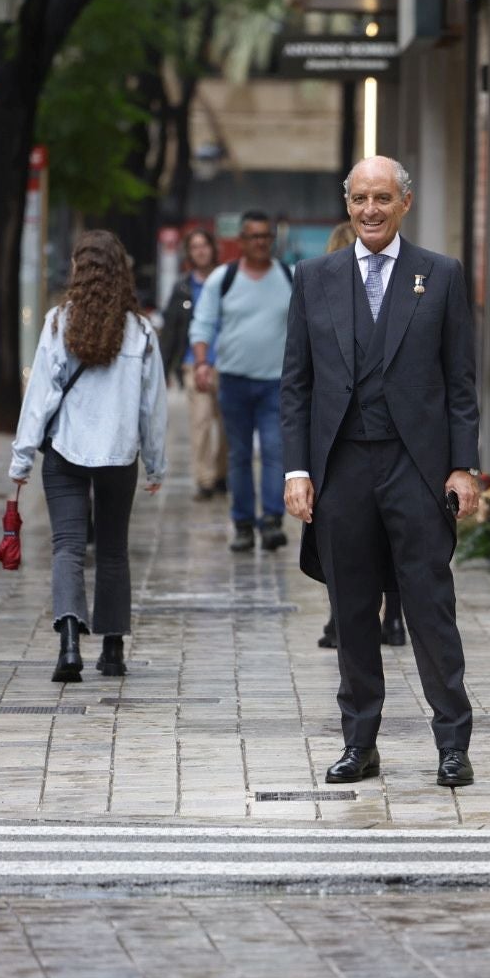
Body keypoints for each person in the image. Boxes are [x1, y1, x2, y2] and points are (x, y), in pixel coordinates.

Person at [282, 156, 481, 788]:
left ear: (405, 203)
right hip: (342, 469)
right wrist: (297, 469)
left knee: (429, 609)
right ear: (347, 204)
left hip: (415, 468)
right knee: (352, 609)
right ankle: (359, 743)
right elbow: (297, 385)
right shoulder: (314, 278)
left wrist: (462, 466)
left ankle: (453, 744)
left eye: (383, 198)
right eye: (361, 198)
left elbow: (460, 385)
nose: (371, 210)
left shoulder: (440, 276)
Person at [10, 230, 168, 683]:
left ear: (78, 270)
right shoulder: (139, 331)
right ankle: (114, 649)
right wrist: (155, 463)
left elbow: (39, 396)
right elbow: (151, 405)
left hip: (65, 450)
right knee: (114, 549)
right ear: (122, 271)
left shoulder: (60, 323)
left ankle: (69, 644)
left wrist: (21, 460)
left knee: (68, 547)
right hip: (119, 455)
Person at [313, 219, 405, 652]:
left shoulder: (422, 277)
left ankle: (352, 619)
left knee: (364, 542)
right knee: (371, 539)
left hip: (389, 442)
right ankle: (386, 619)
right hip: (345, 441)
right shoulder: (316, 280)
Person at [190, 209, 294, 553]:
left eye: (266, 236)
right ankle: (245, 523)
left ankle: (272, 521)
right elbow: (203, 323)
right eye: (254, 237)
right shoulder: (224, 278)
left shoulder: (288, 277)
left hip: (276, 383)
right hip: (233, 380)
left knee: (274, 450)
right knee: (238, 455)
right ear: (242, 241)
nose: (261, 242)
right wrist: (203, 362)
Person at [158, 228, 227, 500]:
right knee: (200, 423)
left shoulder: (228, 280)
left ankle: (222, 474)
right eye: (195, 246)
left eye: (204, 245)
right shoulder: (183, 287)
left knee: (226, 426)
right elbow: (171, 331)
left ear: (213, 248)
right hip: (192, 363)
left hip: (227, 362)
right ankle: (205, 479)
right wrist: (163, 370)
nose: (200, 251)